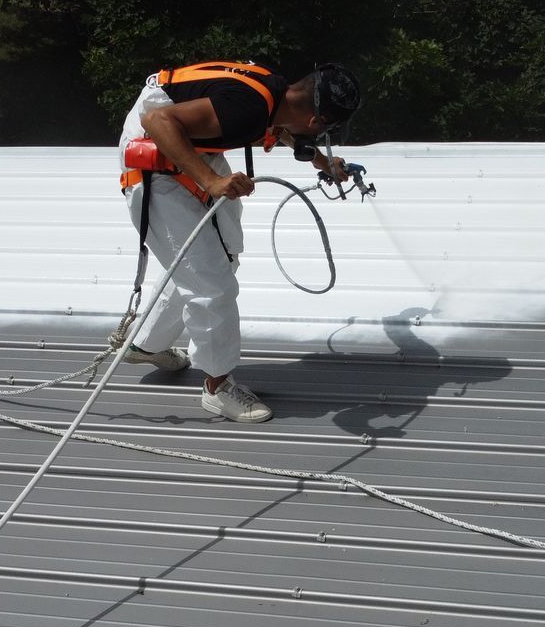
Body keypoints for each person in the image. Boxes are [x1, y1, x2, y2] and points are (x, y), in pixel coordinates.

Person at [116, 61, 362, 422]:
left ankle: (146, 344)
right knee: (210, 281)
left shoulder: (278, 94)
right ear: (316, 121)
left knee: (222, 255)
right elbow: (159, 121)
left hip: (189, 145)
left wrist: (322, 162)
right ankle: (217, 387)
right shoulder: (246, 109)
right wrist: (209, 182)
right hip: (154, 156)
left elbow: (278, 129)